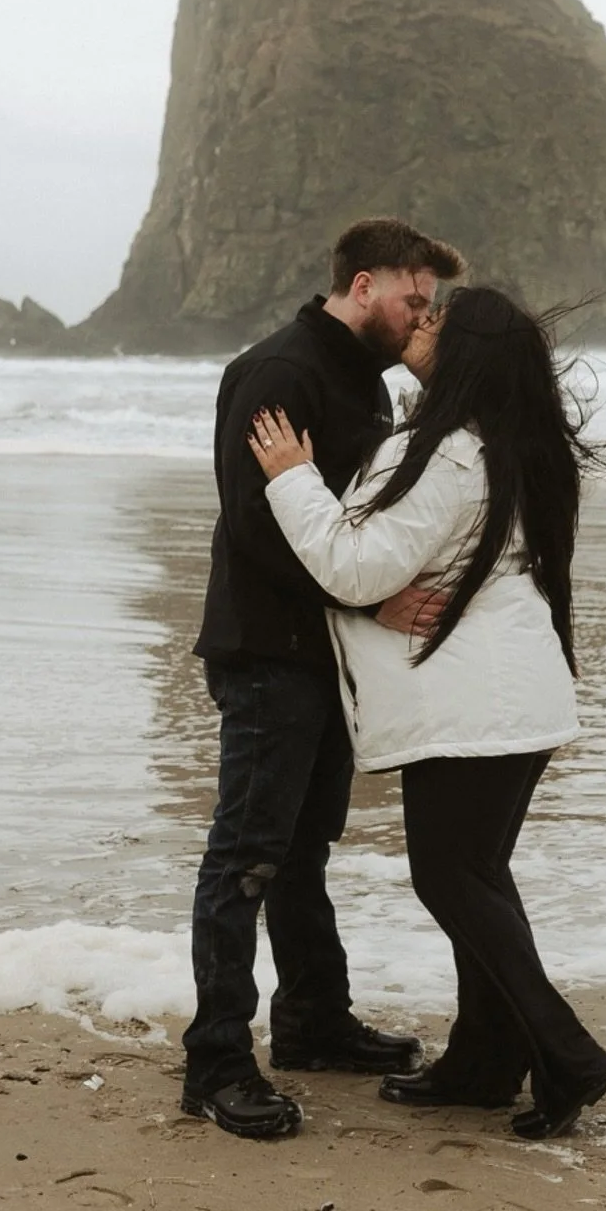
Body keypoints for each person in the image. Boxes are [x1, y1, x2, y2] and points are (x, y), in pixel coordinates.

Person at [247, 285, 606, 1139]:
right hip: (514, 696)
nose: (418, 326)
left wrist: (291, 478)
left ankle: (566, 1055)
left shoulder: (444, 452)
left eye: (435, 323)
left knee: (451, 879)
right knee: (479, 880)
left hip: (471, 703)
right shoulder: (511, 446)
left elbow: (353, 567)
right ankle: (485, 1063)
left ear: (468, 354)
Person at [181, 218, 466, 1139]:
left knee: (304, 854)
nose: (423, 313)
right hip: (267, 653)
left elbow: (359, 515)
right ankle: (217, 1063)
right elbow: (258, 524)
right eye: (413, 296)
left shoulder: (367, 384)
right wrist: (372, 604)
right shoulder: (280, 373)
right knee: (247, 858)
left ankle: (312, 1023)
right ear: (363, 283)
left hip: (322, 654)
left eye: (432, 302)